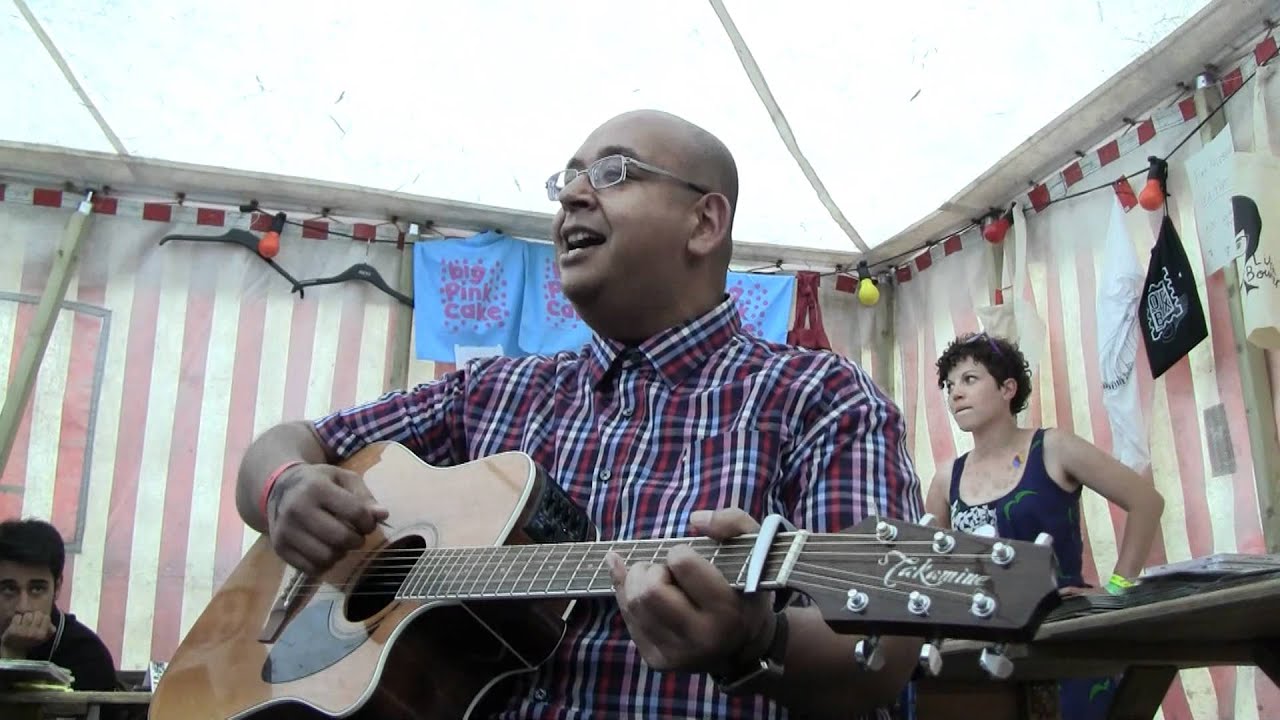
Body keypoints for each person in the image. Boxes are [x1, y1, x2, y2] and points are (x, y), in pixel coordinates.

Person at [235, 109, 924, 719]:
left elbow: (876, 659)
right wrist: (285, 488)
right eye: (563, 181)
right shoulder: (489, 393)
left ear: (704, 221)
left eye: (613, 172)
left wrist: (756, 640)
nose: (569, 196)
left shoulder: (822, 398)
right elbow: (288, 446)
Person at [925, 332, 1165, 719]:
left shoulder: (1054, 448)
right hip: (984, 660)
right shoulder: (944, 480)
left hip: (1066, 645)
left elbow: (1146, 503)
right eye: (950, 386)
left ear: (1008, 388)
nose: (955, 393)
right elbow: (932, 571)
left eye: (970, 379)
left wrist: (1117, 591)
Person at [0, 518, 119, 691]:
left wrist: (13, 661)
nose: (23, 607)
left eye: (37, 589)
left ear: (57, 587)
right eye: (9, 589)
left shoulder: (86, 653)